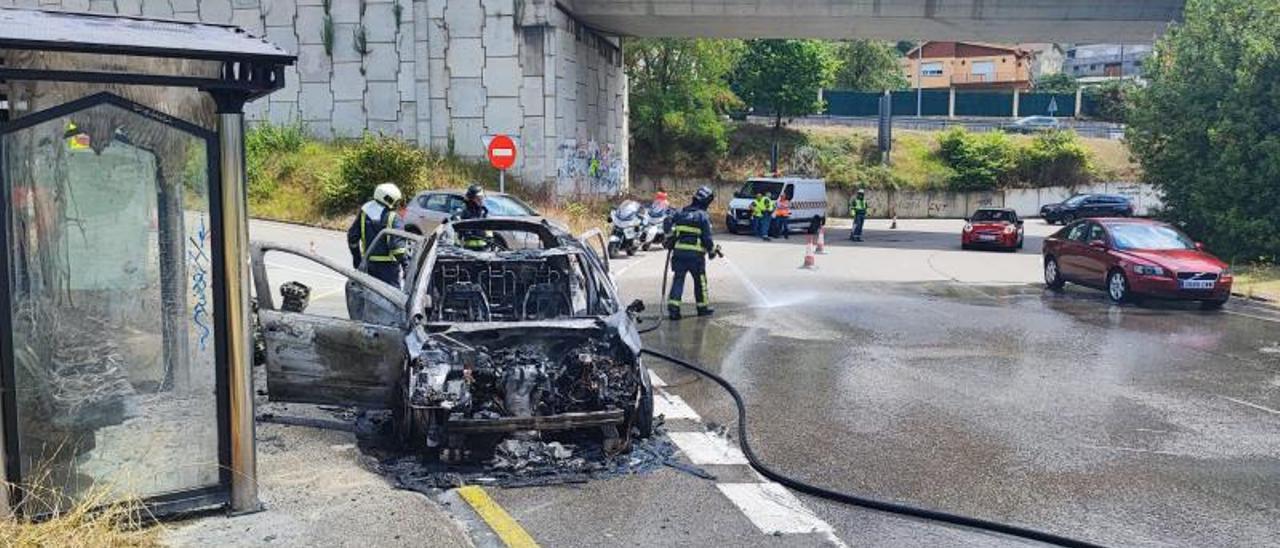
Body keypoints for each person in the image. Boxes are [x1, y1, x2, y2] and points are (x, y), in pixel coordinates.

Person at [664, 186, 717, 320]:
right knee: (700, 282)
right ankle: (702, 308)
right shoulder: (702, 216)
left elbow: (667, 221)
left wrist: (669, 237)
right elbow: (707, 239)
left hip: (679, 254)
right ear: (706, 202)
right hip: (696, 257)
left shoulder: (681, 212)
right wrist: (711, 250)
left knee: (678, 280)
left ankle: (674, 310)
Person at [347, 182, 408, 287]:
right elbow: (398, 249)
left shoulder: (365, 212)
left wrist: (357, 261)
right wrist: (407, 266)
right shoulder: (393, 217)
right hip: (388, 270)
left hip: (368, 266)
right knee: (389, 300)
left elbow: (352, 238)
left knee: (369, 296)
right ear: (388, 199)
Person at [457, 183, 491, 250]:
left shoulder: (483, 211)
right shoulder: (464, 213)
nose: (481, 200)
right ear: (471, 199)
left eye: (482, 198)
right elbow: (457, 233)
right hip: (468, 251)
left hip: (484, 249)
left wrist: (490, 238)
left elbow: (488, 227)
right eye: (478, 198)